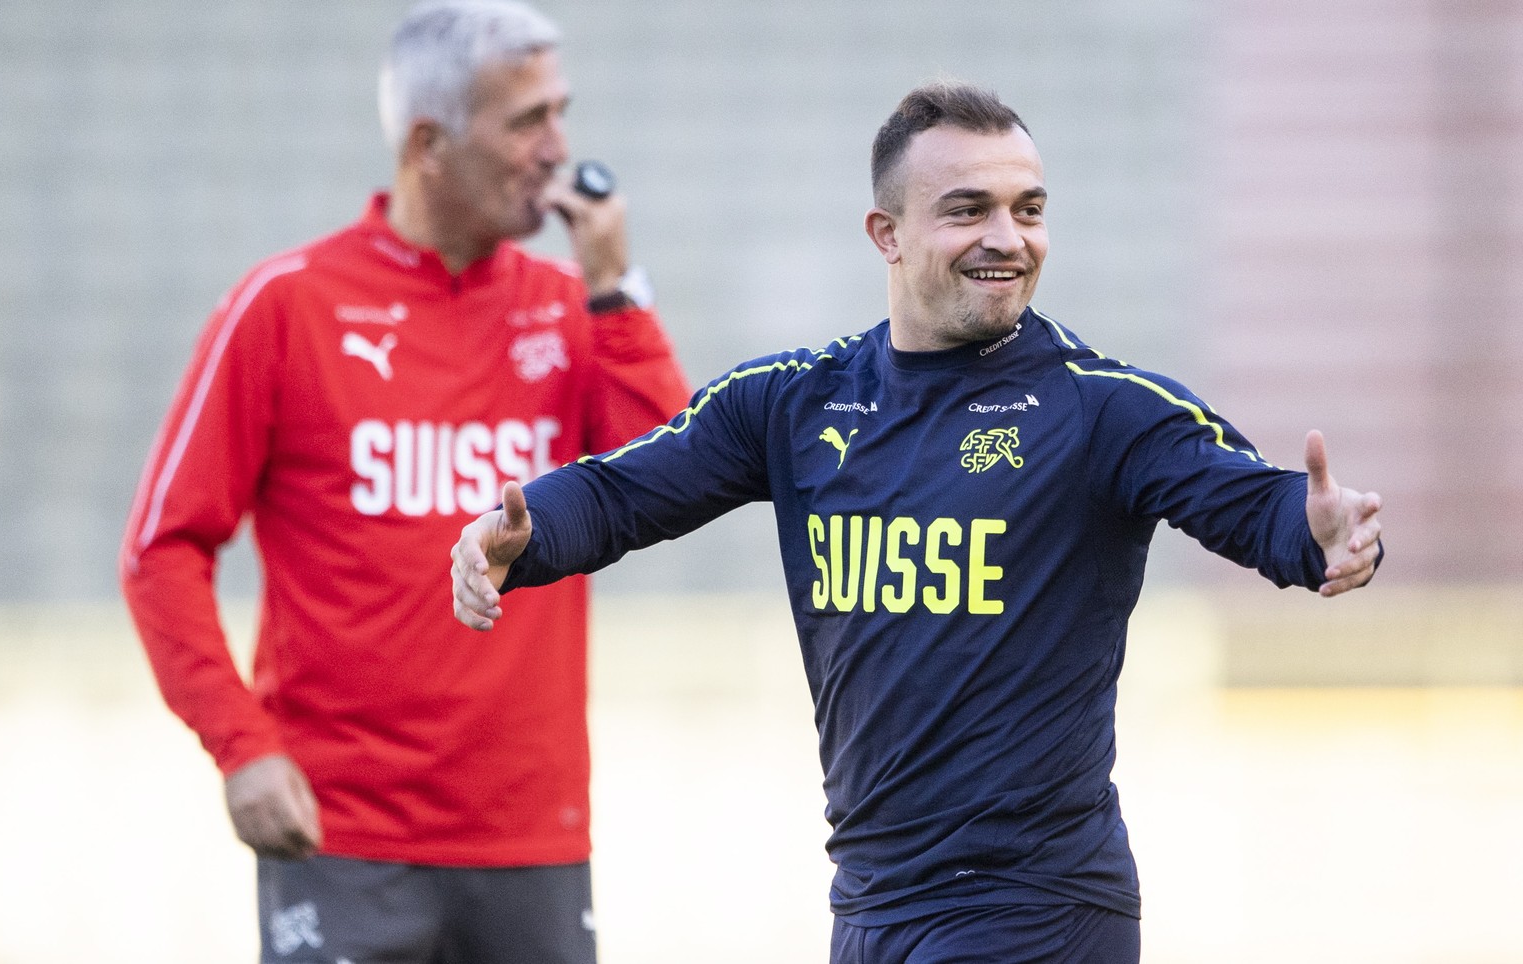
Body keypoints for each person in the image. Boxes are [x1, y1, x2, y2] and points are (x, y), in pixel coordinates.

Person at [450, 81, 1385, 963]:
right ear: (886, 233)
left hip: (1036, 905)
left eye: (1029, 208)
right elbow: (621, 491)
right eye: (969, 209)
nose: (1009, 237)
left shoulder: (1104, 409)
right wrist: (519, 537)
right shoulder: (791, 403)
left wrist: (1320, 534)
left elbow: (1250, 501)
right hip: (869, 902)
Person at [120, 2, 690, 962]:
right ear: (428, 142)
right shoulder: (286, 306)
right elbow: (161, 552)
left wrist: (614, 292)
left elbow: (669, 484)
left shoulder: (570, 308)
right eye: (526, 122)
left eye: (561, 112)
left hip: (530, 836)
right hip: (340, 836)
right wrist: (241, 745)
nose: (559, 149)